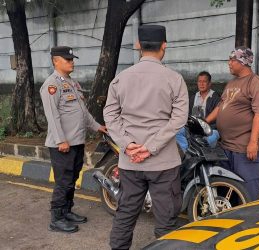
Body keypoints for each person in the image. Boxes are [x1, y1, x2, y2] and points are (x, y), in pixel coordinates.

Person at [103, 25, 188, 250]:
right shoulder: (174, 79)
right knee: (167, 221)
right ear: (164, 46)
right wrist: (150, 147)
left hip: (130, 161)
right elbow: (179, 119)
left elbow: (110, 115)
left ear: (139, 46)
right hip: (163, 162)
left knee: (125, 214)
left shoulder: (120, 79)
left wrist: (128, 144)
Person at [40, 46, 107, 233]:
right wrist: (61, 140)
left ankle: (67, 211)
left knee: (72, 178)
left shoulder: (73, 83)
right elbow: (52, 116)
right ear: (55, 61)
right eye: (67, 59)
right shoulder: (51, 85)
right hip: (63, 145)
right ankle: (56, 218)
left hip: (76, 142)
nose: (72, 62)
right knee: (63, 182)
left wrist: (97, 126)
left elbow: (83, 113)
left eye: (72, 59)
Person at [206, 47, 259, 201]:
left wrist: (253, 143)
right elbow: (220, 106)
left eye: (232, 60)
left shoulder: (255, 83)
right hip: (226, 146)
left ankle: (250, 220)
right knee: (227, 187)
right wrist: (205, 121)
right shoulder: (232, 83)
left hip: (243, 148)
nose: (229, 63)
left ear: (243, 62)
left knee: (247, 188)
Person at [176, 71, 220, 151]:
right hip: (193, 128)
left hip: (209, 129)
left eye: (204, 82)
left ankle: (203, 153)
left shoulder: (215, 97)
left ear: (209, 83)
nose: (201, 84)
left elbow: (218, 118)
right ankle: (187, 152)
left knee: (213, 137)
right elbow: (187, 115)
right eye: (199, 81)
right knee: (178, 132)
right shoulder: (193, 97)